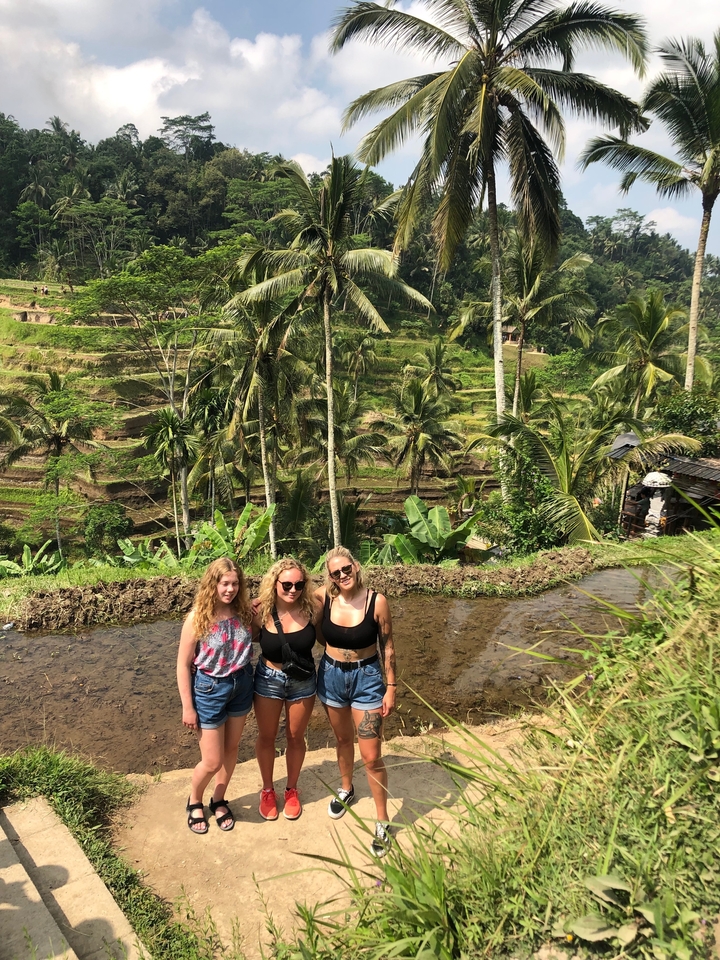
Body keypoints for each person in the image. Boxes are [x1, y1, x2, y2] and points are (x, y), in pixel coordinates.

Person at [315, 546, 397, 857]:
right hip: (332, 675)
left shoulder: (378, 602)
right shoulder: (325, 597)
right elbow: (287, 601)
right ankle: (347, 789)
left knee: (372, 754)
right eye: (335, 572)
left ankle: (382, 819)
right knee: (341, 739)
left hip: (367, 679)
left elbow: (387, 647)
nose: (342, 575)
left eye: (346, 569)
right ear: (330, 576)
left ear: (356, 566)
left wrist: (391, 686)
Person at [176, 557, 254, 834]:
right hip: (209, 689)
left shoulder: (244, 611)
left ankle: (219, 798)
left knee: (232, 750)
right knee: (211, 760)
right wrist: (188, 707)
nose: (230, 589)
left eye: (234, 584)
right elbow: (183, 664)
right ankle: (194, 799)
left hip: (242, 684)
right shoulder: (198, 616)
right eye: (224, 583)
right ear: (213, 584)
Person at [252, 557, 321, 821]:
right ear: (275, 584)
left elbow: (331, 632)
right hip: (268, 678)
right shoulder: (259, 612)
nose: (293, 590)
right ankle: (267, 789)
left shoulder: (313, 608)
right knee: (267, 736)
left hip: (303, 681)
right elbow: (238, 637)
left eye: (299, 584)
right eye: (287, 584)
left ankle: (291, 789)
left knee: (295, 737)